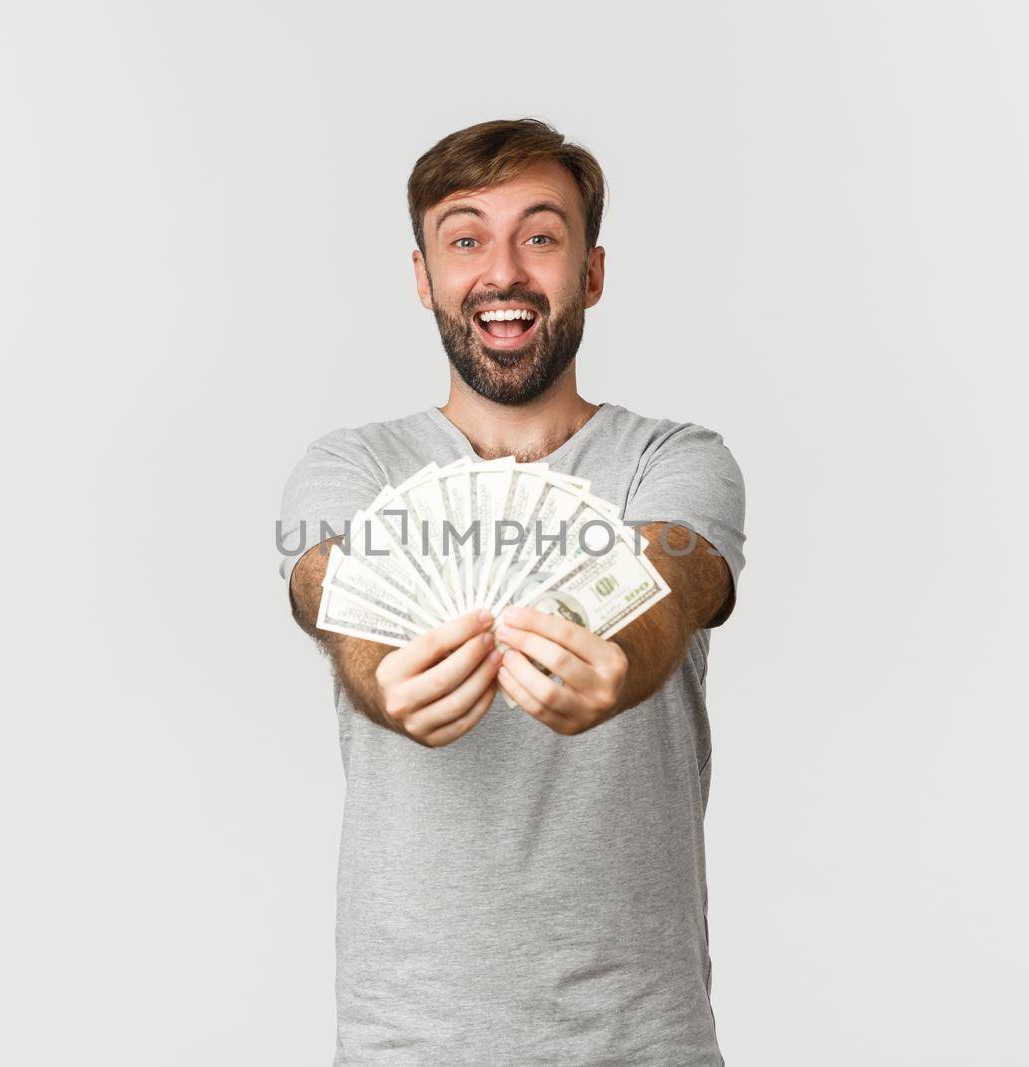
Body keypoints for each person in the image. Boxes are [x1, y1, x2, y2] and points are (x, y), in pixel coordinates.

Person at [277, 117, 747, 1065]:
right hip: (408, 1042)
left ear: (592, 273)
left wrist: (619, 659)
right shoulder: (352, 466)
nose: (504, 272)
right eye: (464, 239)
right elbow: (324, 581)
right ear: (424, 278)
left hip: (640, 1039)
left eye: (540, 236)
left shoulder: (676, 460)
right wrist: (381, 672)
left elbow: (672, 577)